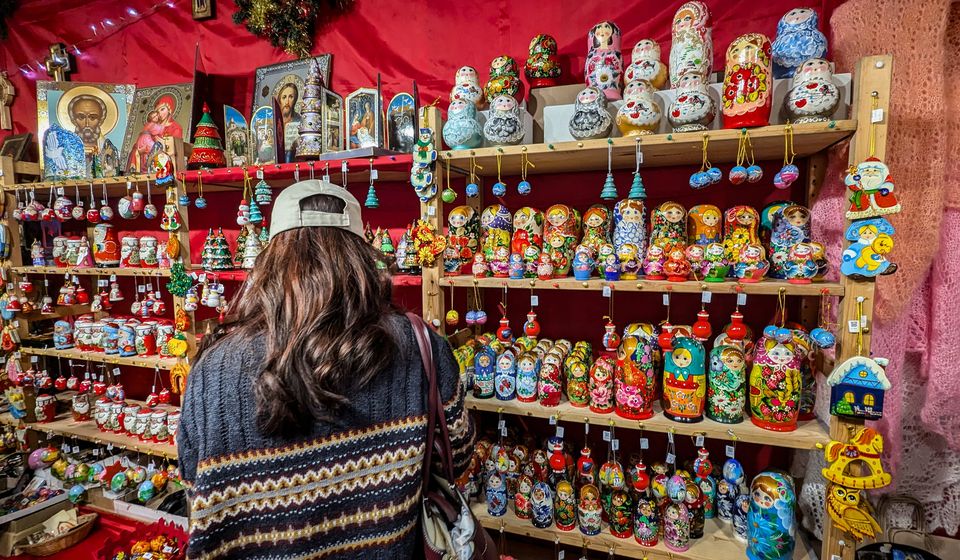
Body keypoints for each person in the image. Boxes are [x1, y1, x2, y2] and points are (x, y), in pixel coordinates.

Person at [177, 180, 475, 559]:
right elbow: (458, 455)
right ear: (363, 256)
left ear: (269, 259)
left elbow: (194, 485)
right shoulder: (420, 343)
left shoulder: (213, 368)